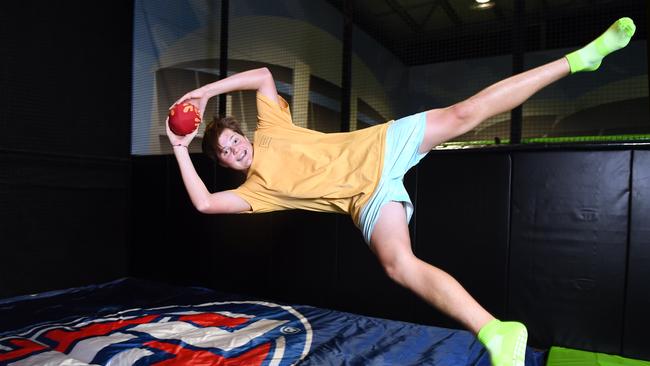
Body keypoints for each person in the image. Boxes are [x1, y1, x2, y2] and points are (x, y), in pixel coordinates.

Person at [166, 18, 636, 366]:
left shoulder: (270, 127)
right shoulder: (257, 192)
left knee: (463, 114)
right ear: (225, 165)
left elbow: (264, 75)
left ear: (242, 134)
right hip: (365, 201)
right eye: (226, 153)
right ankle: (497, 330)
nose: (234, 148)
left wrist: (207, 93)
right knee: (398, 266)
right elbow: (204, 203)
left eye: (233, 139)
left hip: (381, 147)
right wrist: (179, 148)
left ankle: (578, 59)